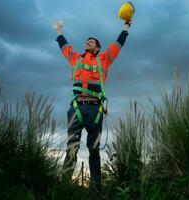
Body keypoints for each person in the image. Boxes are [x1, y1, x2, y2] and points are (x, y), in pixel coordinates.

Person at [54, 19, 132, 191]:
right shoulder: (76, 59)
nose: (87, 43)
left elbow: (118, 45)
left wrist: (126, 26)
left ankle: (97, 190)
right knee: (72, 148)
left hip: (94, 111)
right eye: (87, 41)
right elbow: (64, 46)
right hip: (76, 109)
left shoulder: (104, 59)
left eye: (91, 42)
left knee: (94, 150)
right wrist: (59, 30)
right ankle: (63, 188)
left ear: (97, 48)